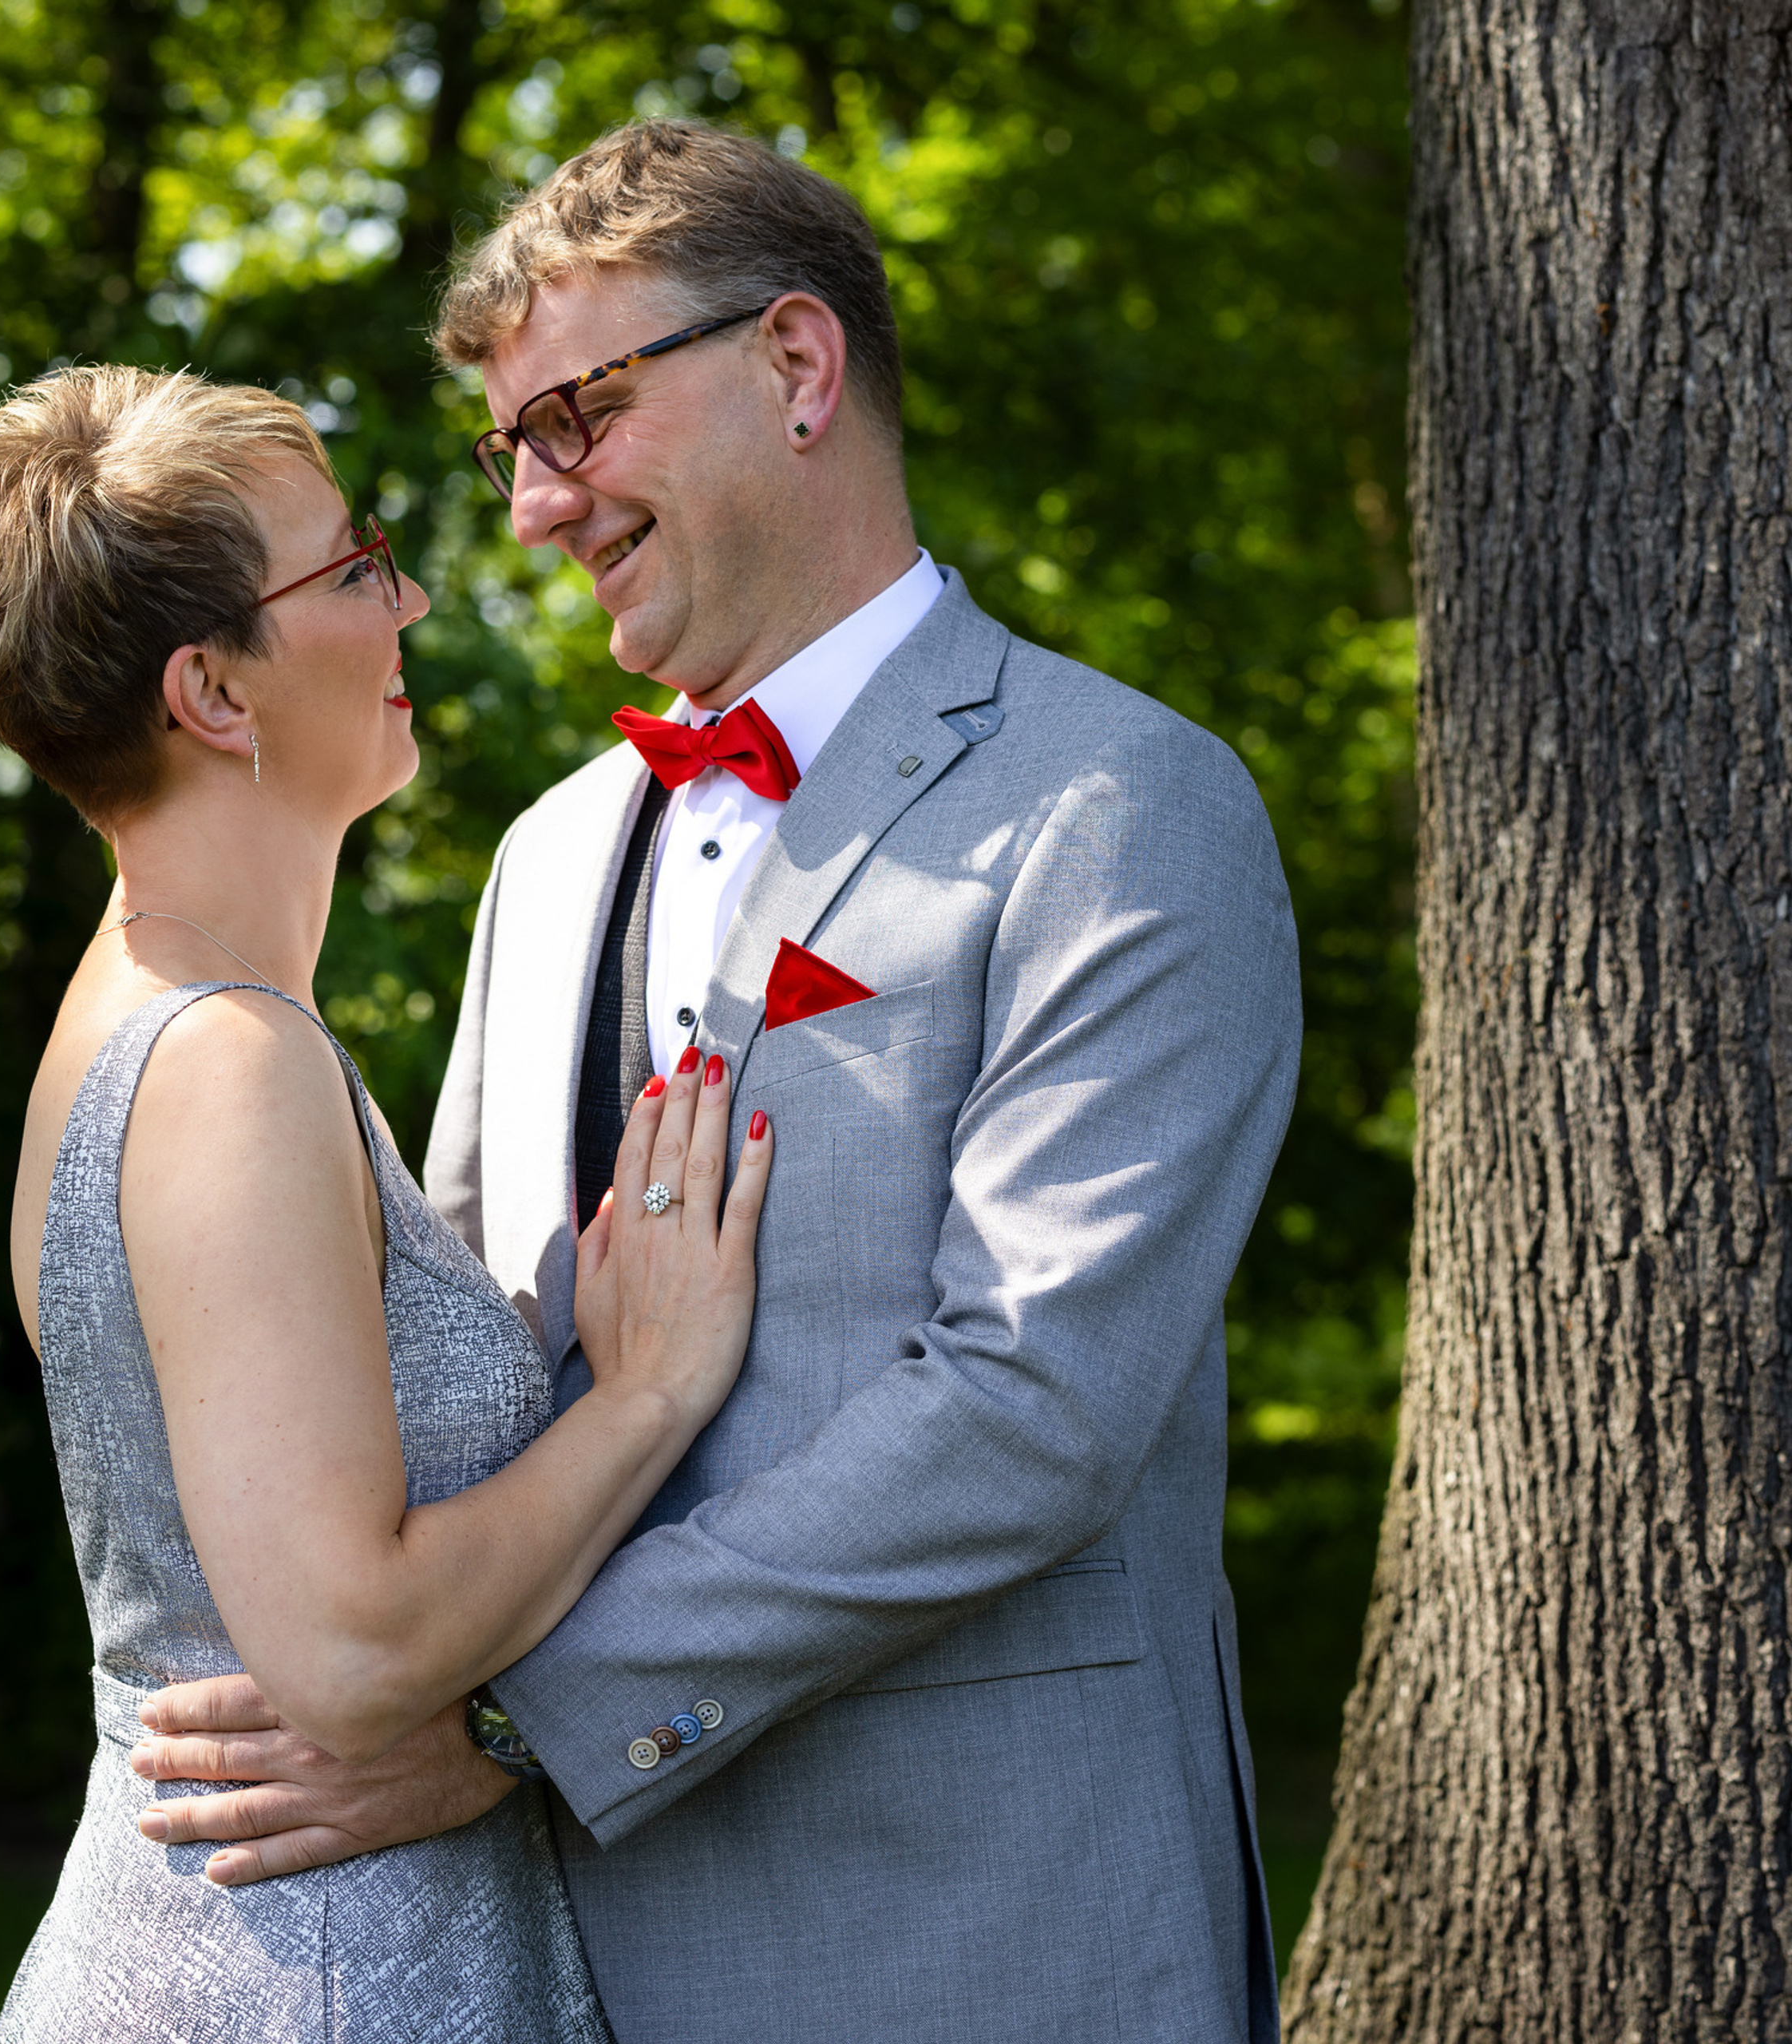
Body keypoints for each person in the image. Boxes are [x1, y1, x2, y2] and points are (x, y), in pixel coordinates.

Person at [129, 121, 1302, 2042]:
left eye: (575, 416)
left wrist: (517, 1722)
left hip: (986, 1938)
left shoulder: (1121, 804)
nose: (529, 506)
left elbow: (1031, 1405)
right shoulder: (545, 850)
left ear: (794, 365)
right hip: (561, 1959)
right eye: (509, 448)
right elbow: (461, 1345)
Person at [0, 362, 776, 2042]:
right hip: (309, 1980)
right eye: (356, 565)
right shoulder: (222, 1060)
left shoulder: (149, 1007)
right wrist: (650, 1388)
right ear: (213, 687)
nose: (413, 593)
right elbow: (351, 1646)